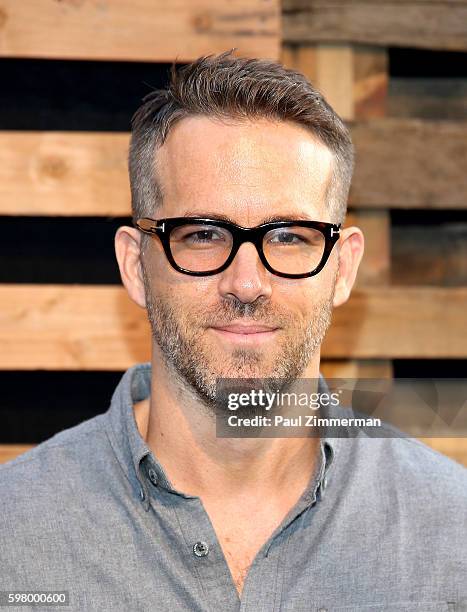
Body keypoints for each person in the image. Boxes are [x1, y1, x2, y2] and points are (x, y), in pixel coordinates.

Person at [1, 50, 466, 612]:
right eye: (202, 234)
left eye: (290, 236)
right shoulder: (16, 532)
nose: (246, 283)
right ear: (135, 265)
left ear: (342, 268)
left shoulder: (451, 533)